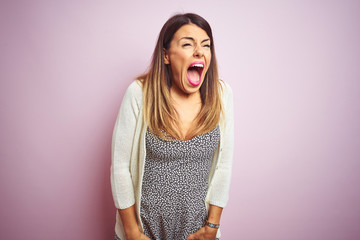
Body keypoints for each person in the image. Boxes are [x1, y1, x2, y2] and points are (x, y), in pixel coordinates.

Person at [110, 13, 234, 240]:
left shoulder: (221, 95)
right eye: (188, 44)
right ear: (166, 55)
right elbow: (120, 168)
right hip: (144, 232)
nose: (199, 51)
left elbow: (223, 167)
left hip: (198, 233)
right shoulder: (139, 93)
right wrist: (132, 234)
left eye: (206, 45)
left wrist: (211, 229)